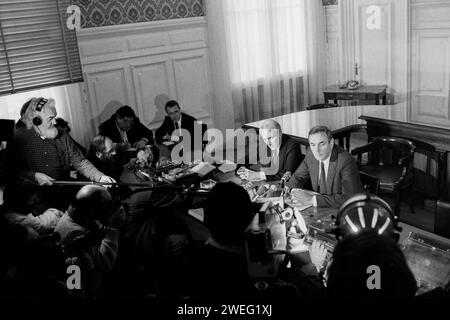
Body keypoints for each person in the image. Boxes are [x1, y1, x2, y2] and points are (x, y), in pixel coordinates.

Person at [6, 97, 115, 210]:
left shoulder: (62, 135)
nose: (55, 122)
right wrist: (34, 176)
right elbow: (9, 171)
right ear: (36, 120)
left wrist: (100, 177)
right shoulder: (18, 139)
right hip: (32, 199)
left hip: (59, 194)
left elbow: (80, 161)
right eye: (50, 119)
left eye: (54, 117)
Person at [54, 185, 126, 295]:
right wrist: (113, 229)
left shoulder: (76, 214)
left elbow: (94, 226)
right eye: (104, 208)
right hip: (89, 290)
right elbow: (105, 263)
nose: (107, 212)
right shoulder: (75, 235)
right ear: (92, 211)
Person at [286, 125, 363, 208]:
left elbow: (350, 199)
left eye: (322, 144)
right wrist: (294, 191)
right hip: (322, 210)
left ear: (331, 143)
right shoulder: (311, 154)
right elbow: (298, 176)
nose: (317, 150)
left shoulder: (345, 161)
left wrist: (312, 200)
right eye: (313, 144)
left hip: (345, 211)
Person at [238, 119, 302, 181]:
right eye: (265, 139)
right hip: (268, 184)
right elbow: (245, 160)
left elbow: (287, 174)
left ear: (280, 133)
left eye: (270, 138)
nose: (268, 143)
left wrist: (258, 175)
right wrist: (242, 170)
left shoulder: (292, 146)